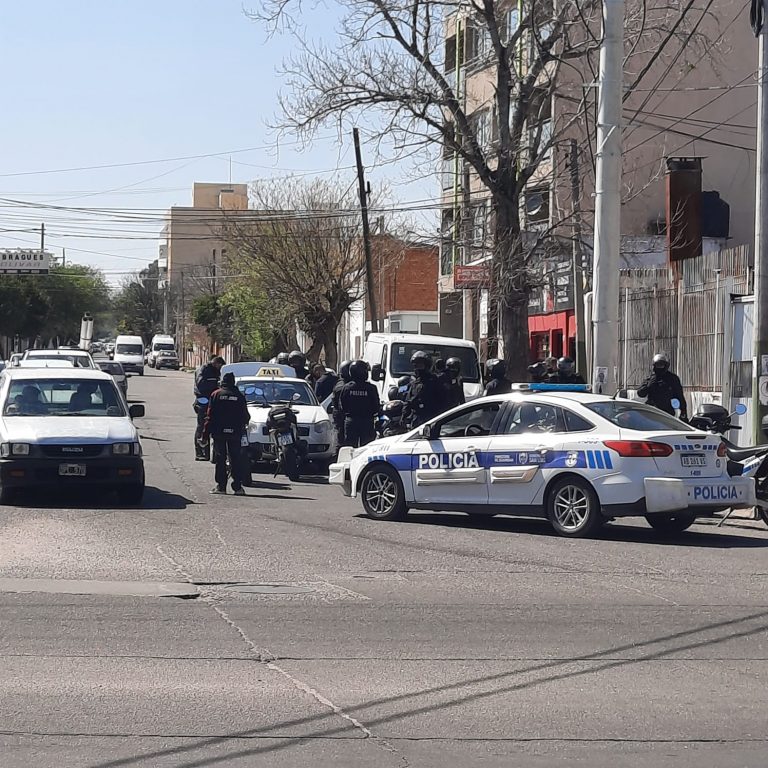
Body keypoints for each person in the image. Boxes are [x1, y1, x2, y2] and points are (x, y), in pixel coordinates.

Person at [202, 372, 250, 495]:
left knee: (220, 459)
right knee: (236, 459)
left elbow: (209, 416)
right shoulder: (239, 396)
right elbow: (246, 416)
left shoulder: (216, 394)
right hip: (235, 433)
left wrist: (205, 435)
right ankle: (237, 487)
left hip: (219, 433)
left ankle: (221, 487)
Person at [339, 360, 380, 447]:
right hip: (367, 422)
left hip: (351, 421)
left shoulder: (347, 388)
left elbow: (342, 405)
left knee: (350, 447)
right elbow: (376, 406)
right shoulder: (371, 388)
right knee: (366, 447)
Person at [637, 353, 688, 418]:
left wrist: (683, 412)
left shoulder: (672, 378)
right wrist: (649, 386)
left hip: (667, 413)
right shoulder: (650, 378)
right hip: (652, 411)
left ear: (666, 366)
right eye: (657, 365)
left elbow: (680, 396)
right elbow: (640, 393)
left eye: (661, 365)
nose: (659, 367)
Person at [193, 355, 224, 460]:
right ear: (216, 363)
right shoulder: (204, 370)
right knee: (202, 426)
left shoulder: (216, 372)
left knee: (213, 427)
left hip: (213, 401)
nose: (220, 368)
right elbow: (200, 385)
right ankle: (199, 452)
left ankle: (209, 453)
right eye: (219, 366)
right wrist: (214, 386)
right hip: (203, 401)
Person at [404, 350, 444, 427]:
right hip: (416, 420)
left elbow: (442, 402)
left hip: (431, 419)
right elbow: (408, 401)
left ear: (427, 366)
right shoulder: (414, 383)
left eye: (419, 366)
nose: (417, 369)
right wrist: (404, 415)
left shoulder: (435, 381)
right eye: (415, 366)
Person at [331, 360, 352, 446]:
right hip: (342, 416)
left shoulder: (341, 384)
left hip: (342, 416)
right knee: (342, 441)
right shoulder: (343, 387)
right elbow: (340, 404)